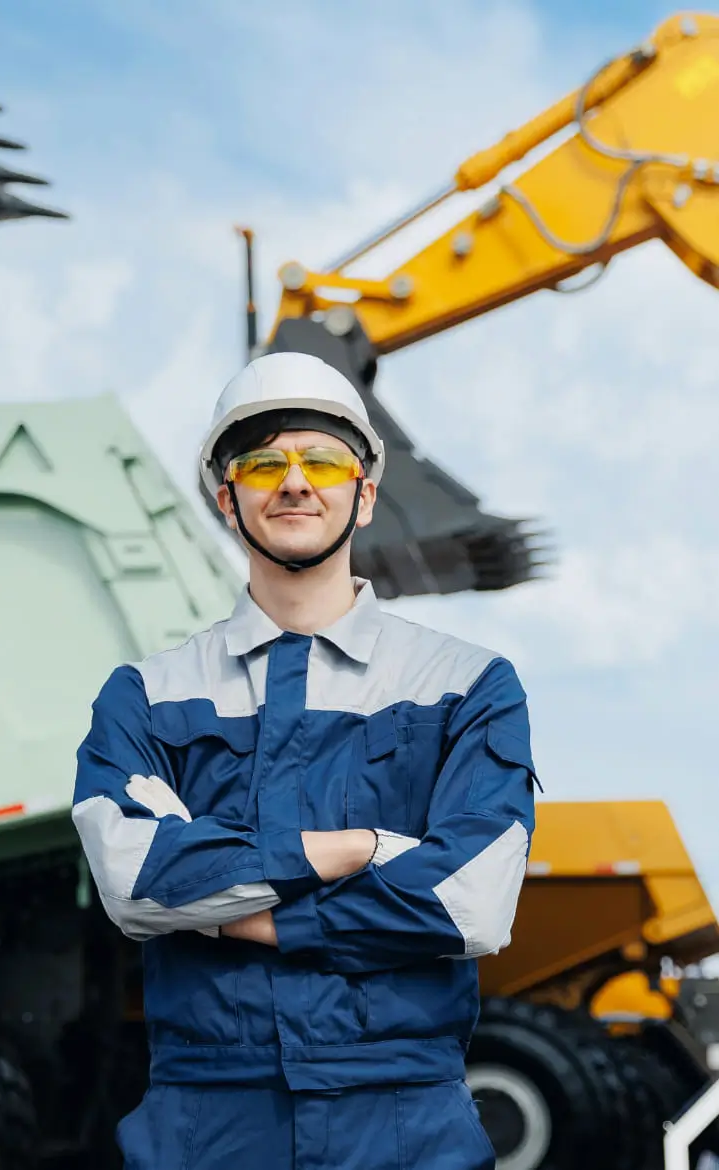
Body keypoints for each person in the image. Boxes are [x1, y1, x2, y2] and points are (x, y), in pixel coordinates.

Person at [72, 351, 540, 1170]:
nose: (294, 482)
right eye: (263, 463)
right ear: (227, 498)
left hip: (404, 1122)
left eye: (322, 460)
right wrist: (358, 849)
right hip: (203, 1123)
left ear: (363, 496)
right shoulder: (145, 694)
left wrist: (229, 909)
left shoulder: (467, 686)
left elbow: (469, 905)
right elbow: (135, 880)